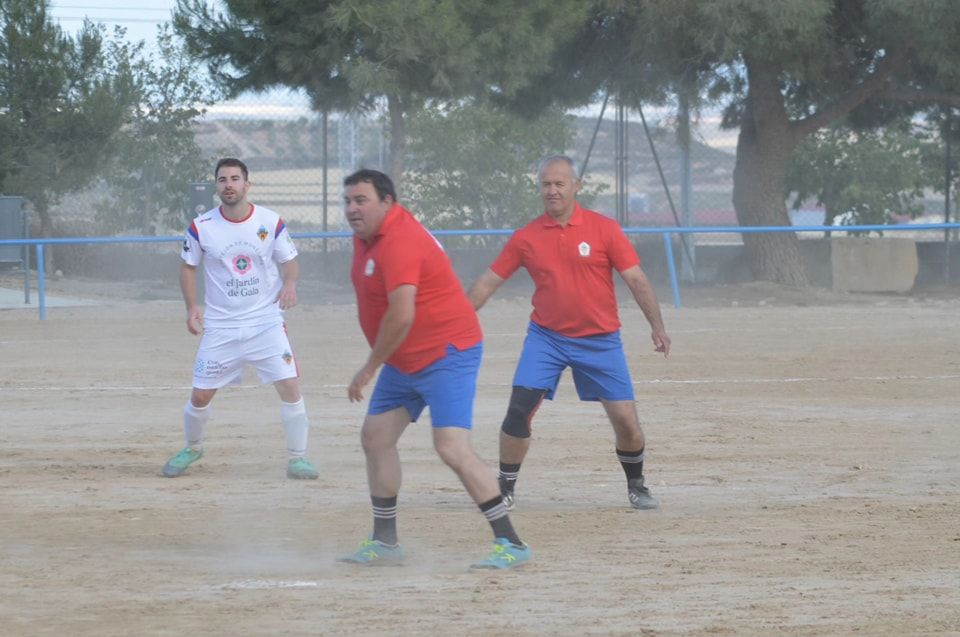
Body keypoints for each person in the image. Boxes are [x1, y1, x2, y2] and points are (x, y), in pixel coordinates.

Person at [338, 168, 530, 570]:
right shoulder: (367, 238)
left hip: (446, 353)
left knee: (451, 448)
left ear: (387, 202)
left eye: (361, 200)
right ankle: (386, 543)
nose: (352, 209)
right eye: (348, 201)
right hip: (404, 357)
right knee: (375, 438)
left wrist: (369, 366)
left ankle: (511, 543)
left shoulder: (399, 241)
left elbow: (402, 313)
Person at [467, 155, 671, 511]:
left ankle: (636, 484)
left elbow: (636, 279)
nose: (552, 190)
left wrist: (657, 327)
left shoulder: (604, 229)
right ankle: (506, 485)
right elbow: (487, 283)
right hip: (547, 339)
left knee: (626, 421)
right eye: (546, 184)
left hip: (601, 341)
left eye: (560, 183)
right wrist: (454, 323)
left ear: (576, 186)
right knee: (518, 410)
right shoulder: (526, 237)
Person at [162, 158, 319, 480]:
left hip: (265, 322)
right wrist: (192, 308)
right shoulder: (201, 226)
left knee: (289, 386)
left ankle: (298, 458)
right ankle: (193, 446)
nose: (229, 185)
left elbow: (290, 262)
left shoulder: (270, 221)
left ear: (247, 184)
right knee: (200, 395)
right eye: (222, 180)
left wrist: (290, 284)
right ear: (216, 186)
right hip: (221, 326)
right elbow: (188, 268)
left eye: (235, 178)